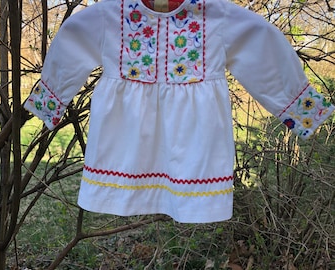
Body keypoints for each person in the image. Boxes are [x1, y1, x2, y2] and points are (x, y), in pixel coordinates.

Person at [24, 0, 334, 223]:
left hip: (195, 149)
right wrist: (51, 98)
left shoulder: (215, 16)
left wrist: (303, 110)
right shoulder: (112, 15)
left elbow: (263, 48)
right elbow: (73, 36)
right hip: (123, 147)